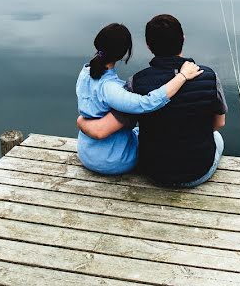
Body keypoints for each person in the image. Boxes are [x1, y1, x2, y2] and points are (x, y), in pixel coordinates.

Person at [78, 14, 227, 187]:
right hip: (199, 172)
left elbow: (103, 129)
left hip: (154, 172)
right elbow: (219, 123)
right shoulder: (209, 76)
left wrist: (82, 122)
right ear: (183, 39)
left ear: (149, 46)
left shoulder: (135, 83)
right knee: (217, 137)